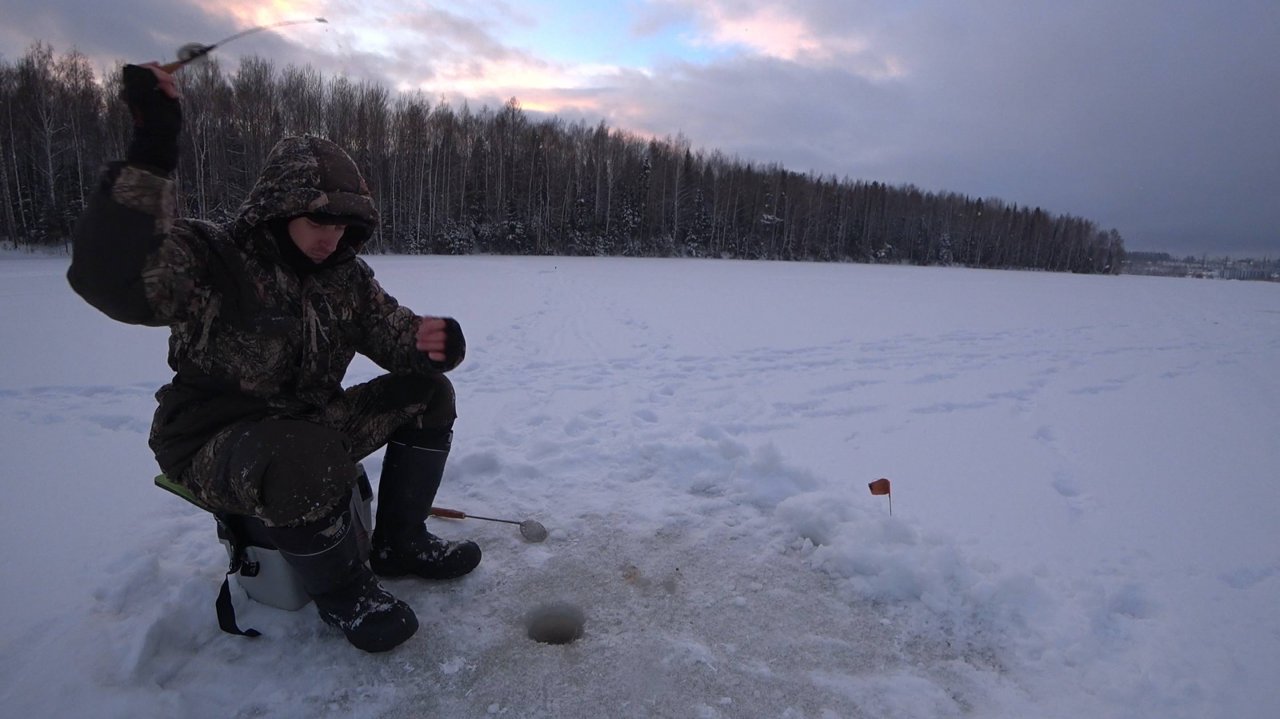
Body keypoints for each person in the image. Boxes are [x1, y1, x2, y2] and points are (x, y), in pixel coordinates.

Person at [67, 63, 481, 653]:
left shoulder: (347, 278)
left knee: (427, 395)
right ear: (279, 208)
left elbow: (391, 332)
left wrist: (429, 343)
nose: (332, 237)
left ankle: (398, 541)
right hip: (212, 441)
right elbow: (110, 277)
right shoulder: (215, 258)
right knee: (300, 452)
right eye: (318, 220)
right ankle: (346, 594)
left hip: (307, 429)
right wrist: (150, 151)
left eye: (343, 223)